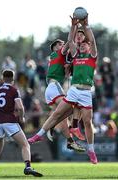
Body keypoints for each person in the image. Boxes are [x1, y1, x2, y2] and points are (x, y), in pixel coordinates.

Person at [28, 15, 98, 164]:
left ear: (90, 46)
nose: (82, 46)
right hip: (73, 90)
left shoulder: (92, 56)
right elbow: (71, 42)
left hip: (86, 92)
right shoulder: (75, 55)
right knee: (58, 113)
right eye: (81, 45)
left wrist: (86, 26)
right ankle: (40, 134)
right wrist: (73, 26)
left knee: (87, 122)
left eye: (85, 44)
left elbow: (91, 39)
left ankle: (91, 150)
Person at [0, 69, 43, 177]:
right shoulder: (14, 90)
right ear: (13, 79)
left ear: (2, 78)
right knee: (25, 144)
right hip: (10, 121)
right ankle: (28, 167)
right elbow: (20, 107)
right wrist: (21, 118)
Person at [42, 38, 85, 152]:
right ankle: (52, 125)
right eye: (61, 44)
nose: (63, 46)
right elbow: (70, 40)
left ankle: (70, 142)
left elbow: (66, 74)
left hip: (53, 88)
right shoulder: (58, 52)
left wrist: (70, 65)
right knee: (73, 107)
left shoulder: (57, 57)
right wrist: (74, 26)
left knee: (62, 116)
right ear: (56, 47)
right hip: (54, 87)